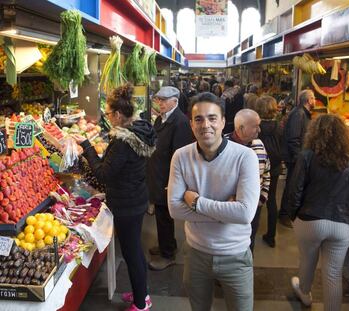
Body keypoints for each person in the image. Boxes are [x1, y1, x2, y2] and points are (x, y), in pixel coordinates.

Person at [168, 92, 260, 311]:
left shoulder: (245, 157)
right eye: (198, 119)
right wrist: (226, 211)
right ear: (191, 124)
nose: (205, 124)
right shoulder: (180, 157)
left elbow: (245, 214)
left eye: (212, 118)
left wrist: (197, 202)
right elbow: (174, 209)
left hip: (236, 256)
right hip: (195, 255)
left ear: (223, 122)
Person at [73, 84, 156, 311]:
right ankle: (142, 293)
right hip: (136, 198)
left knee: (131, 252)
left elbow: (104, 175)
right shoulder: (139, 130)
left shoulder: (122, 142)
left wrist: (88, 147)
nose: (107, 117)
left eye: (109, 113)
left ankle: (141, 304)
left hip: (127, 204)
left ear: (118, 115)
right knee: (135, 250)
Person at [286, 114, 349, 310]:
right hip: (342, 224)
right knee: (333, 273)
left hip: (310, 220)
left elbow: (295, 190)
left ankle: (304, 293)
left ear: (314, 133)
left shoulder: (306, 156)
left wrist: (293, 215)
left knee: (307, 259)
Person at [147, 86, 193, 271]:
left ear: (175, 101)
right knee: (160, 214)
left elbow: (180, 156)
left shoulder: (180, 122)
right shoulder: (162, 118)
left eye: (164, 100)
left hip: (166, 178)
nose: (160, 103)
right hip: (157, 175)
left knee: (165, 215)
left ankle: (168, 255)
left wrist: (173, 183)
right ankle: (168, 244)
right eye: (158, 100)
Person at [225, 109, 270, 252]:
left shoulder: (259, 144)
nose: (260, 129)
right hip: (228, 212)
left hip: (253, 209)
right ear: (241, 128)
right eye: (255, 126)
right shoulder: (222, 146)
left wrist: (261, 200)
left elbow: (267, 173)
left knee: (249, 245)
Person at [279, 89, 316, 228]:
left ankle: (287, 213)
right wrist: (299, 158)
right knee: (291, 186)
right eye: (313, 98)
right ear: (308, 100)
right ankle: (284, 215)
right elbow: (294, 139)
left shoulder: (303, 114)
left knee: (293, 185)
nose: (315, 100)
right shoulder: (298, 114)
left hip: (298, 157)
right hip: (295, 158)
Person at [256, 96, 283, 247]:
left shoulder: (255, 127)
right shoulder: (279, 126)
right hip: (274, 167)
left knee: (254, 199)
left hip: (257, 167)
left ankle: (250, 231)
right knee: (271, 200)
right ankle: (271, 236)